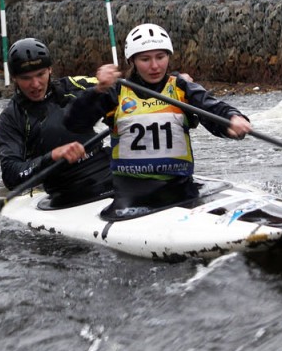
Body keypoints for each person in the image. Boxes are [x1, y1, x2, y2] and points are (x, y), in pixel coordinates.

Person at [64, 23, 251, 219]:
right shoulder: (115, 92)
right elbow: (74, 123)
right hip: (132, 197)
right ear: (133, 61)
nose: (154, 66)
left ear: (168, 56)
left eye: (160, 57)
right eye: (145, 59)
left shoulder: (181, 87)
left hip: (180, 190)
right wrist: (97, 91)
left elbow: (211, 108)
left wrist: (232, 119)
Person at [0, 37, 113, 208]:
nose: (35, 84)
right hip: (65, 193)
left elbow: (124, 91)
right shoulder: (11, 118)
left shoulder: (74, 86)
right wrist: (52, 156)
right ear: (14, 78)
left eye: (40, 74)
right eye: (26, 78)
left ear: (50, 69)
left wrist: (109, 79)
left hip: (109, 174)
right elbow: (11, 175)